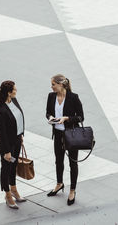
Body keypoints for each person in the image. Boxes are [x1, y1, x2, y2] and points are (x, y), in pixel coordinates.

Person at [45, 74, 84, 205]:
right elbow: (47, 112)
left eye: (53, 84)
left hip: (71, 134)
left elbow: (80, 117)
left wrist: (66, 118)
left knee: (73, 163)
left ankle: (72, 190)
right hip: (58, 134)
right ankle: (59, 183)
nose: (51, 87)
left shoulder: (73, 97)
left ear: (60, 84)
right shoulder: (51, 96)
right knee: (58, 161)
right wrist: (50, 118)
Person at [0, 80, 26, 209]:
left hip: (17, 140)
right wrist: (7, 151)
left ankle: (14, 189)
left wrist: (21, 135)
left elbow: (19, 118)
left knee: (13, 166)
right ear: (8, 92)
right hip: (7, 144)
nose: (16, 91)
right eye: (14, 90)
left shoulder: (14, 101)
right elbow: (2, 133)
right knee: (6, 168)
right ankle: (7, 194)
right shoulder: (1, 111)